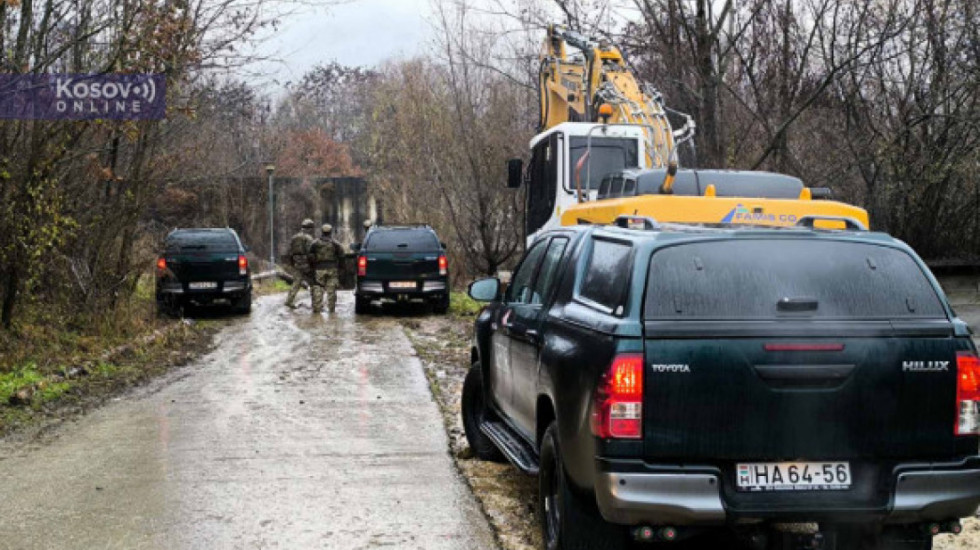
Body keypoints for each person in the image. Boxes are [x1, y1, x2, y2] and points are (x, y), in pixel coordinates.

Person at [310, 223, 347, 314]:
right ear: (330, 232)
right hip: (332, 269)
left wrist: (313, 266)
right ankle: (331, 310)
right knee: (331, 290)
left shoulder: (315, 243)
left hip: (319, 269)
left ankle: (317, 309)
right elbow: (342, 256)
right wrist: (341, 269)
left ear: (322, 232)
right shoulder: (336, 244)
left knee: (318, 288)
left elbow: (310, 255)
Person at [284, 219, 316, 309]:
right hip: (306, 264)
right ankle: (315, 303)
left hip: (297, 263)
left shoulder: (294, 237)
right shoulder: (309, 238)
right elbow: (310, 253)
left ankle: (289, 301)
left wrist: (293, 262)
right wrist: (313, 263)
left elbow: (290, 252)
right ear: (309, 228)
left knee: (296, 283)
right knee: (313, 283)